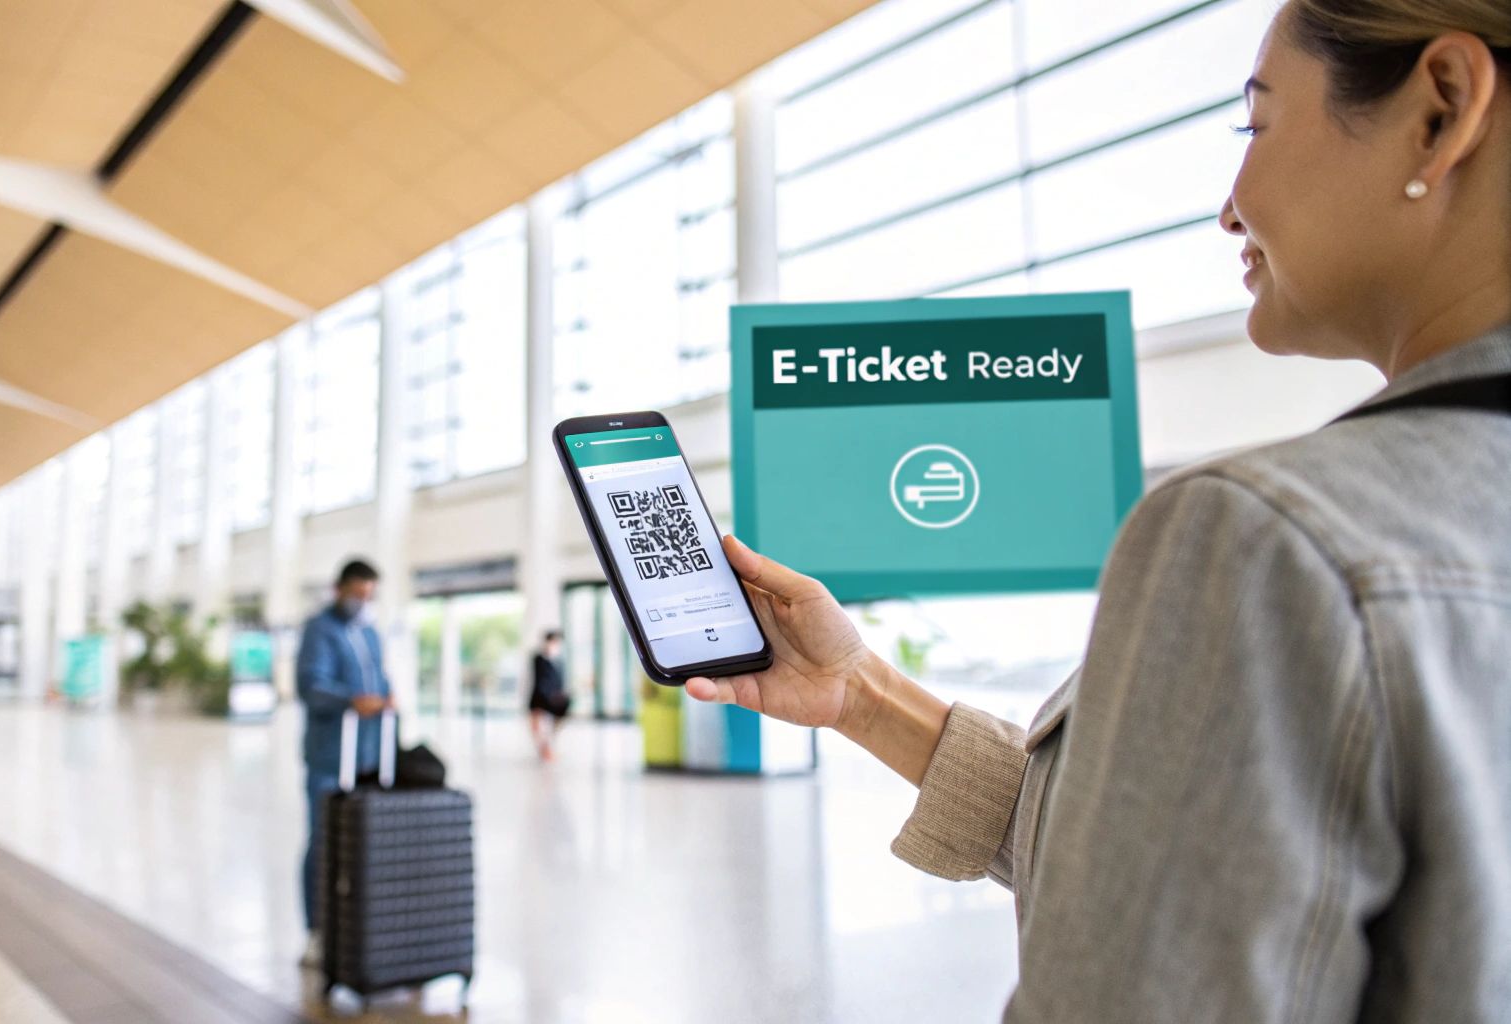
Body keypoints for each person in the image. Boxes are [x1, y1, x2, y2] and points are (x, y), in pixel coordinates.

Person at [685, 2, 1511, 1019]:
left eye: (1253, 126)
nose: (1228, 205)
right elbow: (1176, 844)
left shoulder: (1268, 541)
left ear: (1440, 111)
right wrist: (858, 691)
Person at [295, 558, 392, 966]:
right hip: (331, 756)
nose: (362, 602)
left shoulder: (369, 633)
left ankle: (360, 927)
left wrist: (387, 700)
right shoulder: (320, 630)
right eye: (357, 594)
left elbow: (380, 681)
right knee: (323, 842)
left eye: (369, 595)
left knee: (365, 842)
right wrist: (350, 701)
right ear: (340, 589)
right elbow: (310, 686)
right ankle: (317, 932)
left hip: (369, 755)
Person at [527, 630, 570, 762]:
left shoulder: (559, 662)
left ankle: (548, 751)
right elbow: (541, 681)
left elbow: (559, 682)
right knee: (539, 729)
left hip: (554, 701)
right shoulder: (539, 659)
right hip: (540, 700)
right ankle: (545, 752)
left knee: (549, 729)